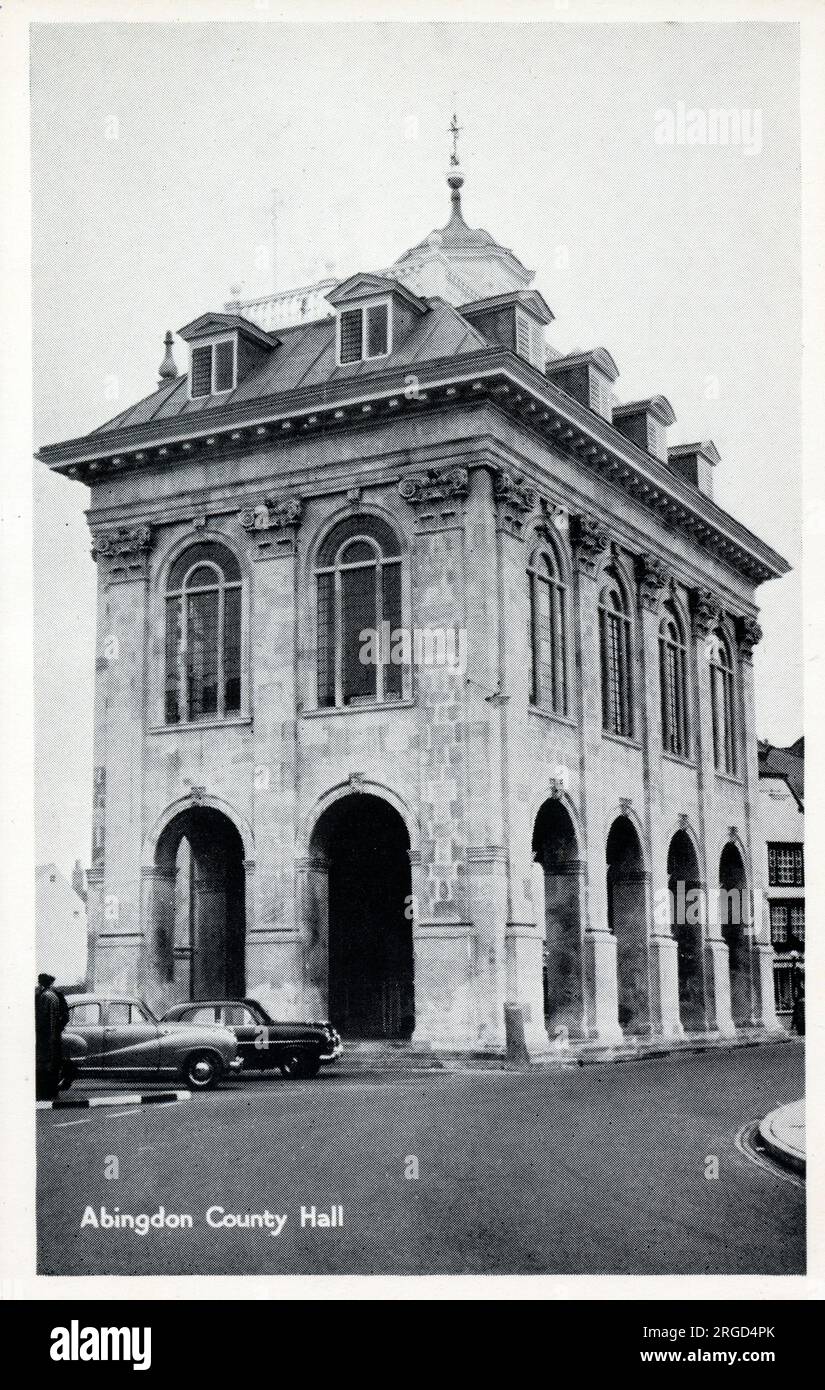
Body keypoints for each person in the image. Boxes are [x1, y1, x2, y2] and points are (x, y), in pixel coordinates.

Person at [35, 973, 68, 1100]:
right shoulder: (54, 996)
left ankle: (46, 1093)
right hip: (54, 1035)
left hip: (47, 1036)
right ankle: (52, 1091)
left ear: (40, 983)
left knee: (44, 1064)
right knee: (52, 1064)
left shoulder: (45, 997)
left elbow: (42, 1019)